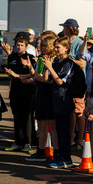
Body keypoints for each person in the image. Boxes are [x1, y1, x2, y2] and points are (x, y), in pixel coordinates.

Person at [42, 36, 75, 169]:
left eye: (58, 47)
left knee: (64, 131)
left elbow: (61, 81)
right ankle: (60, 157)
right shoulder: (55, 61)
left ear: (66, 48)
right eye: (55, 47)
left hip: (64, 100)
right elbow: (46, 79)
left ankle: (66, 158)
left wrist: (50, 67)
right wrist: (47, 66)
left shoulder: (68, 63)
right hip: (55, 99)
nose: (55, 49)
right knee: (59, 130)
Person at [25, 34, 58, 162]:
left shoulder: (54, 60)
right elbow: (38, 76)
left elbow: (48, 79)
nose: (43, 48)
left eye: (45, 45)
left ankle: (57, 152)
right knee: (42, 124)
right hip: (40, 93)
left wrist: (39, 77)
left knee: (53, 126)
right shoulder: (40, 59)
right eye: (42, 45)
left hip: (51, 95)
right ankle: (41, 151)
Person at [4, 35, 36, 152]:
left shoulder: (29, 57)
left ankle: (28, 142)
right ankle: (18, 142)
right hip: (15, 90)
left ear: (26, 46)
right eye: (18, 45)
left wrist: (18, 76)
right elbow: (9, 71)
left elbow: (33, 74)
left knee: (26, 117)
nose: (19, 47)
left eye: (22, 45)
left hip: (27, 90)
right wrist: (9, 73)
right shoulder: (11, 56)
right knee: (16, 117)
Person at [60, 18, 87, 149]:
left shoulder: (79, 42)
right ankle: (71, 138)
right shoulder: (66, 41)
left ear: (69, 28)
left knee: (79, 112)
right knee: (71, 112)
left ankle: (80, 139)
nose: (63, 29)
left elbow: (82, 63)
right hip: (68, 83)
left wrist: (68, 60)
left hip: (77, 83)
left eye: (64, 27)